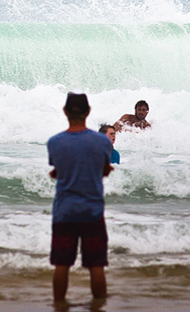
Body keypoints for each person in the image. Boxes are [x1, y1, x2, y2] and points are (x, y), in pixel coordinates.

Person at [47, 93, 113, 304]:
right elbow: (104, 169)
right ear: (88, 112)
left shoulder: (55, 142)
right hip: (92, 211)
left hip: (64, 211)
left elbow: (58, 170)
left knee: (61, 265)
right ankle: (98, 307)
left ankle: (59, 306)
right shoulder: (102, 142)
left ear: (65, 112)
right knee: (96, 266)